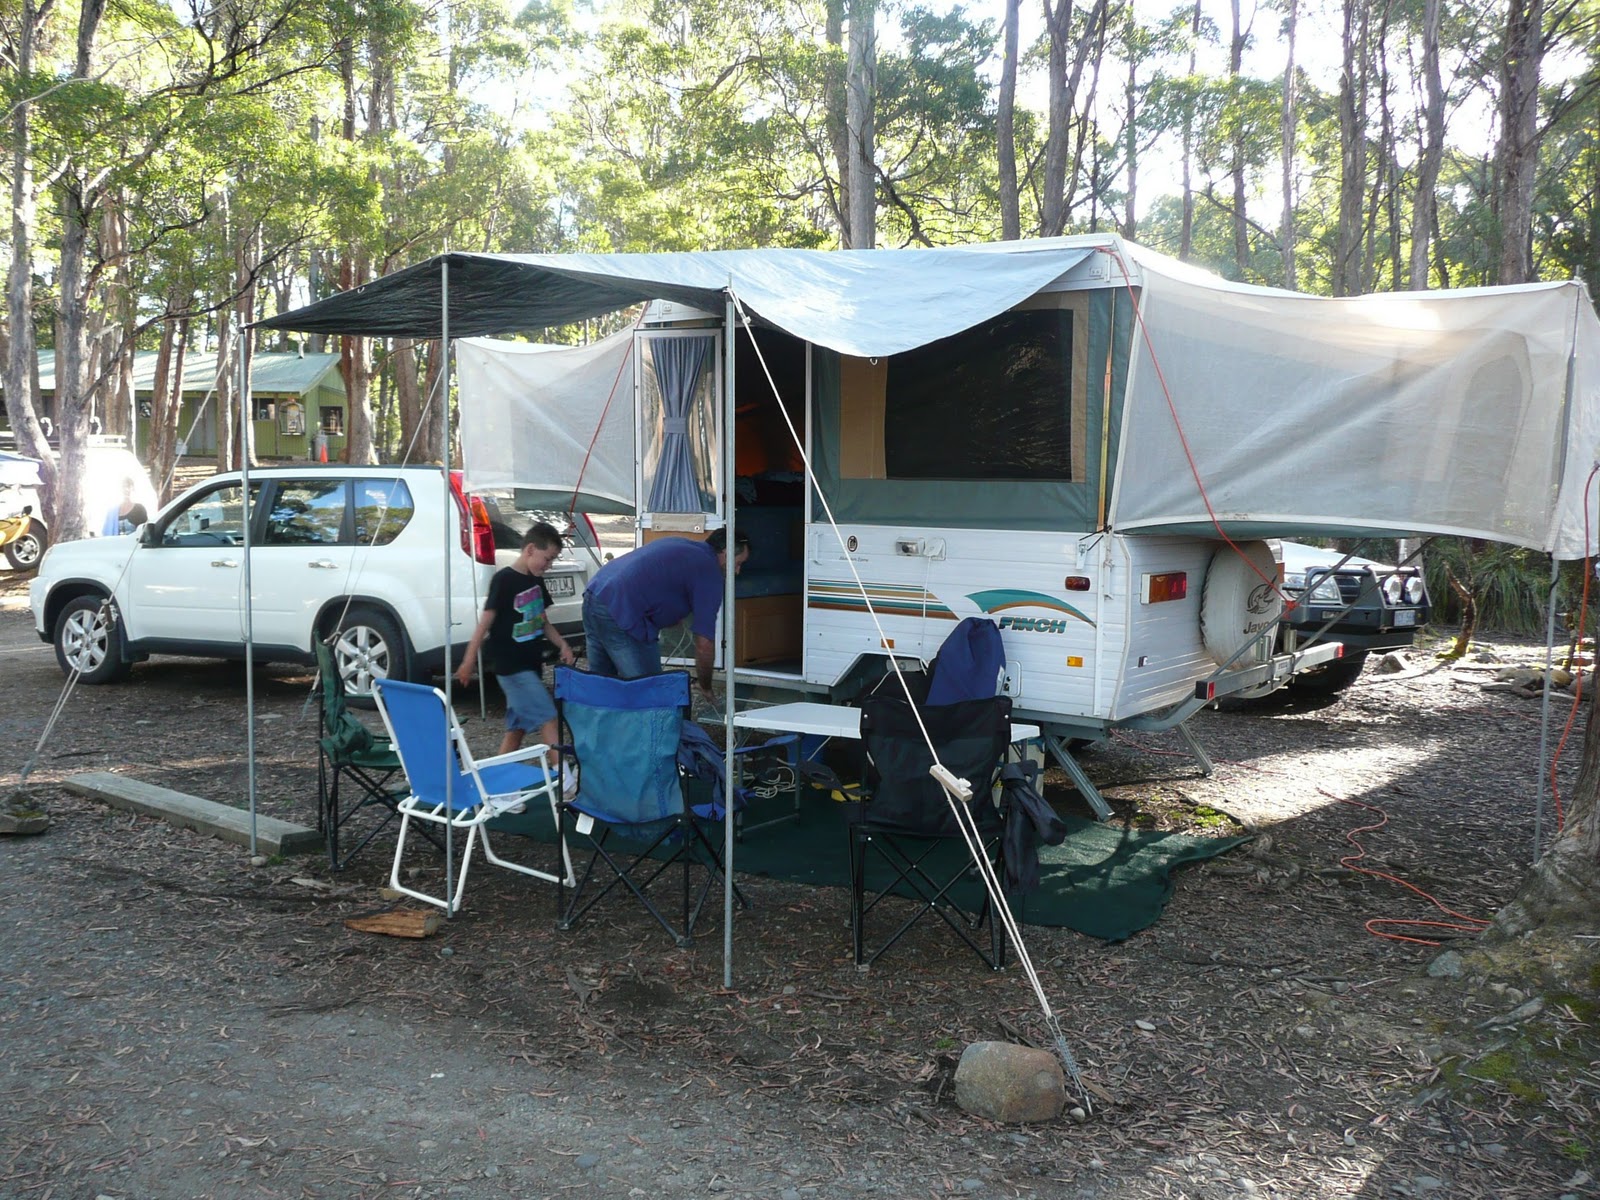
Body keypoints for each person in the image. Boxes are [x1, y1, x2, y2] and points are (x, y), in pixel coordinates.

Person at [581, 527, 751, 702]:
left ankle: (602, 726)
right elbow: (704, 644)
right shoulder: (709, 570)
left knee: (601, 684)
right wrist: (706, 685)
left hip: (594, 593)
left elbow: (659, 581)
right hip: (621, 609)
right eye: (738, 563)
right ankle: (649, 726)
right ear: (726, 553)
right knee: (649, 691)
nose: (737, 572)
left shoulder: (684, 545)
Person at [456, 522, 576, 764]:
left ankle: (499, 785)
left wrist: (562, 645)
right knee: (548, 717)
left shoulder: (536, 581)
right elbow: (485, 623)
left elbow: (542, 621)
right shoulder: (504, 580)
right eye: (547, 558)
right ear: (530, 549)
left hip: (530, 664)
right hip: (510, 666)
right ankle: (565, 780)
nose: (549, 565)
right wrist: (469, 660)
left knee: (516, 730)